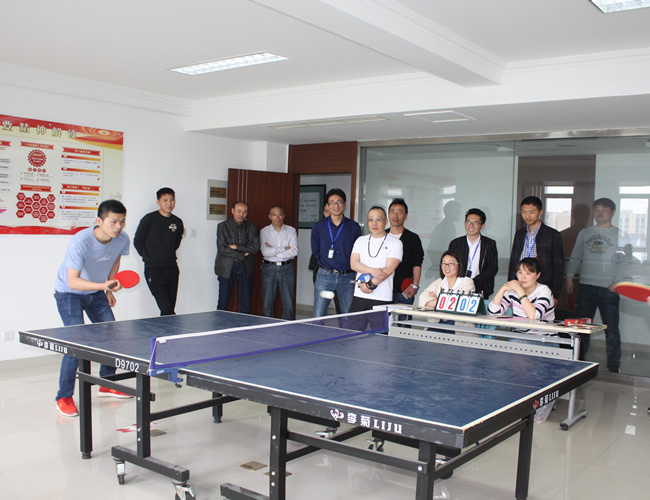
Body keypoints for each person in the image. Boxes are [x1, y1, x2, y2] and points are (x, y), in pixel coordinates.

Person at [53, 199, 132, 417]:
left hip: (96, 292)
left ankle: (107, 383)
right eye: (113, 221)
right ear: (99, 221)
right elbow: (73, 281)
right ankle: (63, 397)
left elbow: (115, 260)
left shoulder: (122, 238)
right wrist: (103, 286)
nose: (118, 226)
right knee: (76, 344)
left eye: (122, 221)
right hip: (69, 294)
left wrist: (109, 289)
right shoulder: (81, 241)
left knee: (111, 337)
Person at [488, 257, 555, 422]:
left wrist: (520, 291)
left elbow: (533, 315)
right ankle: (516, 400)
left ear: (537, 275)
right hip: (520, 339)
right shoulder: (512, 292)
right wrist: (503, 290)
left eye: (528, 273)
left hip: (544, 340)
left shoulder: (544, 291)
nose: (523, 277)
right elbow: (493, 313)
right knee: (508, 355)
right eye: (520, 272)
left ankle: (529, 402)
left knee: (514, 350)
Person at [565, 198, 623, 372]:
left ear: (613, 212)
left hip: (609, 288)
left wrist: (618, 281)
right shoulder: (585, 232)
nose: (600, 212)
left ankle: (614, 365)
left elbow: (625, 261)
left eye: (604, 209)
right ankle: (579, 361)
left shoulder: (620, 234)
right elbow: (576, 255)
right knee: (583, 327)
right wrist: (569, 277)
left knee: (611, 329)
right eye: (597, 209)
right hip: (586, 286)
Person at [311, 189, 362, 317]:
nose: (336, 206)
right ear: (327, 206)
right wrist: (327, 263)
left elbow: (358, 252)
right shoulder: (319, 226)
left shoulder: (354, 227)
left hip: (347, 277)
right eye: (332, 203)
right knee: (318, 315)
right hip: (325, 276)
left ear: (345, 204)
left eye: (339, 202)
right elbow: (315, 250)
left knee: (348, 316)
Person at [134, 187, 184, 316]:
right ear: (158, 202)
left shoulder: (177, 222)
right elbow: (138, 241)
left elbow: (177, 242)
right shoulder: (149, 219)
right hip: (154, 269)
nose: (169, 203)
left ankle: (167, 329)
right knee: (166, 307)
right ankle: (168, 328)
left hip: (171, 267)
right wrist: (149, 256)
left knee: (169, 308)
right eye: (165, 200)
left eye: (171, 200)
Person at [508, 196, 564, 302]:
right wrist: (510, 285)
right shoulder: (519, 234)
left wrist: (555, 294)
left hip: (542, 285)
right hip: (520, 284)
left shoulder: (552, 234)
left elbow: (558, 266)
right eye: (524, 212)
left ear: (540, 212)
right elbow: (513, 261)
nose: (527, 216)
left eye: (532, 212)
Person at [350, 206, 402, 316]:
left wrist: (369, 285)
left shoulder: (396, 243)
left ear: (386, 221)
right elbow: (353, 264)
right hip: (360, 294)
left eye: (378, 219)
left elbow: (388, 270)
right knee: (354, 326)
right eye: (371, 220)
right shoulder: (360, 240)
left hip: (382, 297)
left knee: (380, 328)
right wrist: (372, 271)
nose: (374, 223)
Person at [214, 201, 259, 313]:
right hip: (226, 267)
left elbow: (255, 247)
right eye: (238, 211)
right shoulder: (222, 226)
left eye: (244, 212)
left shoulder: (252, 227)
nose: (241, 215)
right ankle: (219, 323)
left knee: (246, 302)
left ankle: (245, 324)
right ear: (232, 211)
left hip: (245, 267)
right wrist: (242, 254)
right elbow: (222, 248)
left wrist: (237, 247)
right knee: (223, 302)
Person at [447, 208, 498, 300]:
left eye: (475, 223)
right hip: (458, 287)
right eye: (468, 222)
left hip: (481, 287)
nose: (471, 225)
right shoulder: (456, 243)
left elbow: (492, 268)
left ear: (482, 226)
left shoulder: (489, 244)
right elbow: (450, 265)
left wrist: (473, 282)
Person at [260, 204, 298, 320]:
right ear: (270, 216)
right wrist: (283, 249)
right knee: (267, 304)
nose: (277, 218)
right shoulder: (264, 231)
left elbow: (294, 251)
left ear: (284, 216)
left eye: (280, 215)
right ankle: (267, 327)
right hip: (269, 268)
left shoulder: (291, 231)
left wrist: (274, 251)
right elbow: (265, 252)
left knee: (288, 304)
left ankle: (288, 328)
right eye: (274, 215)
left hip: (287, 268)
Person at [388, 198, 424, 306]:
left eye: (400, 212)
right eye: (392, 211)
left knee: (403, 317)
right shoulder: (381, 236)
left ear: (406, 216)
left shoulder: (413, 238)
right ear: (388, 215)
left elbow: (417, 264)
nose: (395, 215)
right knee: (381, 317)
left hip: (403, 290)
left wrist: (415, 285)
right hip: (382, 289)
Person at [308, 203, 341, 313]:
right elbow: (315, 249)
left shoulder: (345, 227)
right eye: (326, 211)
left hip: (341, 273)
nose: (329, 213)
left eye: (330, 210)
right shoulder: (319, 227)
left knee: (340, 305)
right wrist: (324, 262)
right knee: (320, 306)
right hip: (322, 270)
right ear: (323, 213)